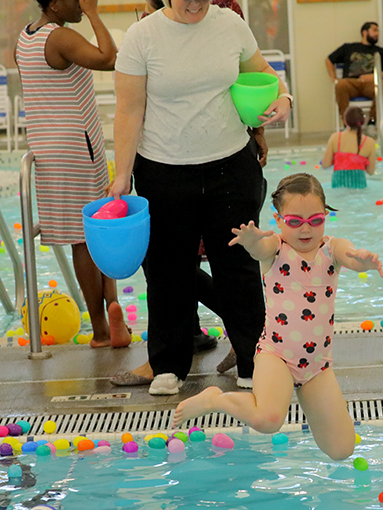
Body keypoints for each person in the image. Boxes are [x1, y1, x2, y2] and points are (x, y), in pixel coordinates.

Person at [109, 0, 290, 395]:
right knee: (168, 270)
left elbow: (262, 72)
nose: (196, 4)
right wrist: (122, 174)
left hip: (230, 167)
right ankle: (169, 365)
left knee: (238, 268)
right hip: (163, 169)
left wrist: (286, 97)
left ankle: (251, 362)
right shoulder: (143, 36)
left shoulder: (229, 25)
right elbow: (128, 110)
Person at [173, 174, 383, 460]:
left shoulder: (332, 248)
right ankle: (215, 399)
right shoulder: (277, 246)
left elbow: (351, 256)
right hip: (277, 355)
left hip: (317, 365)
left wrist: (363, 261)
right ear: (279, 219)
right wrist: (250, 241)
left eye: (316, 220)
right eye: (295, 221)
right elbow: (261, 248)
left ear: (325, 217)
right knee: (269, 420)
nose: (306, 229)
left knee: (341, 450)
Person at [15, 0, 130, 349]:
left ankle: (108, 319)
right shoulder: (60, 37)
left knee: (86, 232)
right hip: (78, 147)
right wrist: (95, 14)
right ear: (53, 3)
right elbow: (110, 58)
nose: (83, 2)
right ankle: (103, 324)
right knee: (90, 233)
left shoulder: (26, 37)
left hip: (48, 148)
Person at [326, 22, 383, 126]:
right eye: (374, 30)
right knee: (340, 85)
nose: (377, 33)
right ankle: (347, 123)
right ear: (365, 32)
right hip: (351, 83)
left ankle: (372, 122)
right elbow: (329, 60)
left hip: (371, 83)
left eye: (378, 31)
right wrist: (333, 77)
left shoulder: (381, 52)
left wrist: (373, 77)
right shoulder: (348, 47)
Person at [321, 107, 377, 189]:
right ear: (362, 122)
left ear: (345, 121)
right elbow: (371, 171)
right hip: (360, 187)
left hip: (338, 187)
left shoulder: (335, 138)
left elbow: (325, 165)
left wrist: (338, 161)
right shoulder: (369, 142)